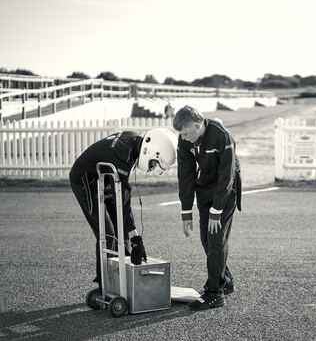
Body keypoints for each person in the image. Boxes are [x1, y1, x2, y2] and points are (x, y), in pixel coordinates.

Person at [69, 128, 178, 290]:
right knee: (108, 234)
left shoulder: (134, 140)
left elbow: (122, 202)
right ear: (151, 150)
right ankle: (105, 284)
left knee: (122, 229)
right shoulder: (122, 156)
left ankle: (126, 276)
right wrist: (136, 238)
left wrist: (132, 237)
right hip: (85, 180)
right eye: (154, 163)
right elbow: (124, 199)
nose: (151, 167)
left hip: (103, 179)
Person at [173, 105, 242, 311]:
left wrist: (216, 211)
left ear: (197, 125)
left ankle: (215, 293)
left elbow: (226, 176)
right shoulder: (184, 141)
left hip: (226, 189)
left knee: (216, 240)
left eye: (186, 133)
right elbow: (185, 175)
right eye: (181, 134)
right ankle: (225, 280)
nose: (183, 138)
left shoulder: (222, 136)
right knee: (206, 239)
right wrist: (186, 212)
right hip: (205, 188)